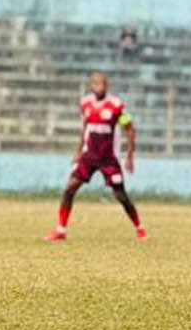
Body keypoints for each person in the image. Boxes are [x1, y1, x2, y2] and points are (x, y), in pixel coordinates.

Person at [45, 71, 145, 241]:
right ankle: (61, 230)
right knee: (70, 188)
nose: (100, 87)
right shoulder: (86, 104)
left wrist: (129, 156)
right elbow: (85, 129)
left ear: (107, 85)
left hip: (108, 158)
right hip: (89, 156)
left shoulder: (116, 106)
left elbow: (130, 129)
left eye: (103, 84)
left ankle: (140, 228)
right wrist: (78, 152)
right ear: (91, 85)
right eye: (96, 83)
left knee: (120, 195)